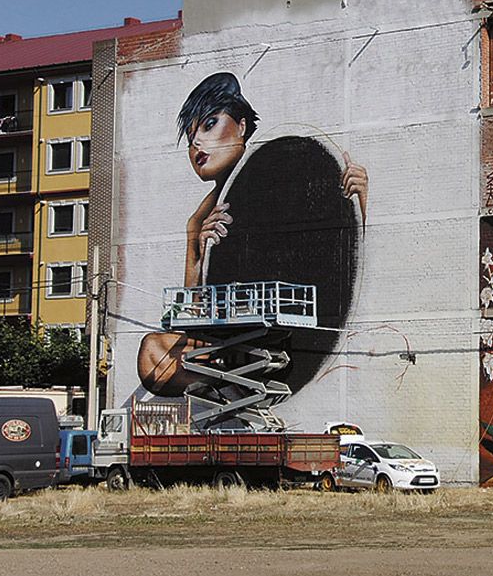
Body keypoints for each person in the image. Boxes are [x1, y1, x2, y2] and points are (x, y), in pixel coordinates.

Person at [136, 72, 367, 396]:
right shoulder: (198, 220)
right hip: (231, 341)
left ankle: (236, 374)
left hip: (294, 334)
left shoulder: (286, 169)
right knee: (152, 352)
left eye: (209, 124)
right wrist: (198, 253)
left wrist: (362, 202)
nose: (197, 144)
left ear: (242, 126)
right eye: (190, 139)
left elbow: (352, 267)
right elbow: (189, 320)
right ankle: (227, 378)